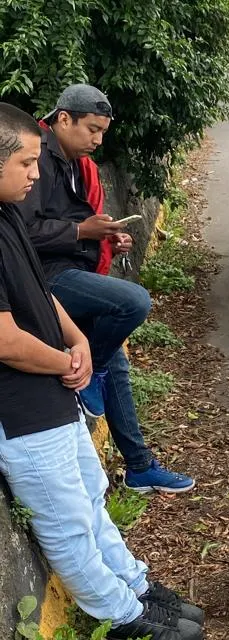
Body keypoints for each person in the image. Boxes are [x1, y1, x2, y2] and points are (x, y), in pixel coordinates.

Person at [0, 102, 204, 640]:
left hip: (52, 393)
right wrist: (67, 360)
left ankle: (133, 584)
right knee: (66, 522)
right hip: (19, 411)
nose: (35, 173)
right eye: (25, 163)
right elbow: (5, 342)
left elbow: (39, 290)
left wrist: (77, 336)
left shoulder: (6, 217)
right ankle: (123, 618)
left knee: (90, 494)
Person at [17, 84, 193, 493]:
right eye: (92, 129)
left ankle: (138, 465)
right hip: (45, 277)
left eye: (102, 133)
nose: (97, 140)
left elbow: (71, 221)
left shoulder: (74, 161)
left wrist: (105, 236)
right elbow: (21, 231)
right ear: (64, 119)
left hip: (71, 267)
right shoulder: (37, 157)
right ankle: (90, 369)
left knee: (117, 365)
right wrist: (82, 230)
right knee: (133, 301)